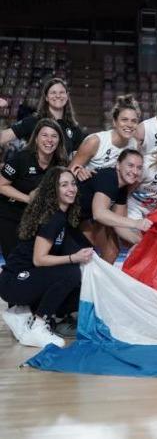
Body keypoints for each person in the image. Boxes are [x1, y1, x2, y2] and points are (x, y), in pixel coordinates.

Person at [0, 167, 92, 348]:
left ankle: (21, 313)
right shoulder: (53, 218)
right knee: (70, 273)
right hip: (14, 282)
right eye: (64, 185)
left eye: (73, 184)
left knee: (77, 287)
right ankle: (38, 327)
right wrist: (74, 258)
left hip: (20, 280)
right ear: (53, 190)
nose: (71, 189)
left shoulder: (62, 217)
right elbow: (39, 260)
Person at [0, 119, 68, 260]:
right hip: (11, 216)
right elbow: (1, 185)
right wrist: (28, 198)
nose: (49, 140)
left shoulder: (61, 163)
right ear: (36, 139)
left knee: (35, 263)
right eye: (44, 135)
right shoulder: (21, 158)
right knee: (15, 262)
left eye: (54, 136)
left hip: (38, 220)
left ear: (59, 141)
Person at [78, 149, 152, 264]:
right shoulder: (109, 177)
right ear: (118, 165)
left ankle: (99, 281)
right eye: (130, 165)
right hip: (64, 217)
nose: (135, 171)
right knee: (87, 251)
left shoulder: (122, 187)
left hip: (81, 218)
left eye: (139, 167)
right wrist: (136, 223)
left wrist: (142, 241)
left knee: (111, 251)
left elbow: (119, 226)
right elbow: (99, 214)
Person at [0, 77, 85, 158]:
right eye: (53, 93)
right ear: (46, 97)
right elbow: (2, 138)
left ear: (67, 96)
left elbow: (80, 156)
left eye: (62, 92)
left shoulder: (74, 128)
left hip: (61, 172)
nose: (58, 96)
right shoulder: (33, 121)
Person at [68, 94, 139, 181]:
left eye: (134, 121)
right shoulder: (94, 141)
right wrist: (79, 172)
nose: (129, 125)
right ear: (114, 122)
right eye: (124, 120)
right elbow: (69, 172)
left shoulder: (134, 145)